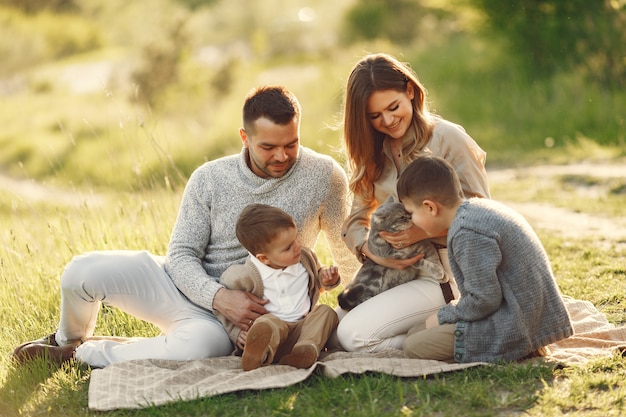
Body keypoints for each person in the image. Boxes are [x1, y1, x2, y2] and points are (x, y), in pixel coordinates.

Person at [12, 86, 359, 368]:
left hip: (228, 326)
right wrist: (219, 297)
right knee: (79, 272)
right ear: (244, 137)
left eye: (291, 144)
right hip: (181, 285)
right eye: (268, 147)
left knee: (201, 348)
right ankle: (64, 341)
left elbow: (345, 251)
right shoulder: (209, 178)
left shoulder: (324, 176)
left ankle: (81, 355)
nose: (282, 156)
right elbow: (180, 255)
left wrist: (352, 308)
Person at [336, 52, 491, 352]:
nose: (388, 120)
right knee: (334, 335)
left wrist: (422, 231)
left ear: (410, 91)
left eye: (393, 107)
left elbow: (482, 212)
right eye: (374, 116)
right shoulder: (373, 152)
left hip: (445, 274)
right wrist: (373, 252)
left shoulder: (447, 139)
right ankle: (425, 329)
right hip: (391, 272)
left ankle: (432, 336)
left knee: (351, 336)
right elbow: (355, 222)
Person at [396, 155, 573, 362]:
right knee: (415, 332)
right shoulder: (474, 210)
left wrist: (444, 316)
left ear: (430, 207)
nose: (412, 221)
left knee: (413, 346)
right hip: (515, 310)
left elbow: (484, 300)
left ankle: (524, 349)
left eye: (411, 213)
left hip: (518, 324)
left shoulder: (467, 232)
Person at [217, 204, 340, 370]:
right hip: (274, 335)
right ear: (263, 258)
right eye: (288, 247)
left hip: (302, 331)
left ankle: (304, 350)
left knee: (326, 312)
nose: (297, 246)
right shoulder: (242, 277)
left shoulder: (305, 258)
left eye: (296, 238)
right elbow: (224, 309)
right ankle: (259, 353)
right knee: (268, 322)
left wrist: (327, 279)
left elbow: (317, 280)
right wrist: (236, 333)